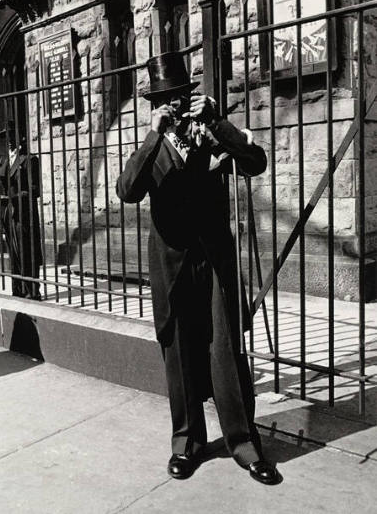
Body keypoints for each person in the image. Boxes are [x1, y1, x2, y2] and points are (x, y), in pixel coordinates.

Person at [116, 52, 280, 485]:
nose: (173, 106)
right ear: (154, 105)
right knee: (180, 351)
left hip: (214, 260)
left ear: (191, 97)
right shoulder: (151, 148)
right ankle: (186, 442)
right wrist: (155, 135)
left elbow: (256, 162)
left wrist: (219, 122)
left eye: (179, 96)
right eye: (164, 100)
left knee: (226, 349)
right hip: (171, 265)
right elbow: (127, 191)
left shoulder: (211, 135)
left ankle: (244, 443)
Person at [0, 120, 42, 300]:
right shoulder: (4, 161)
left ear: (20, 137)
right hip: (9, 214)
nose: (9, 140)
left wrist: (13, 198)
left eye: (12, 135)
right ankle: (17, 288)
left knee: (27, 251)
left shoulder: (29, 159)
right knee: (14, 253)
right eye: (6, 136)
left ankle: (32, 290)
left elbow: (34, 190)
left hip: (25, 214)